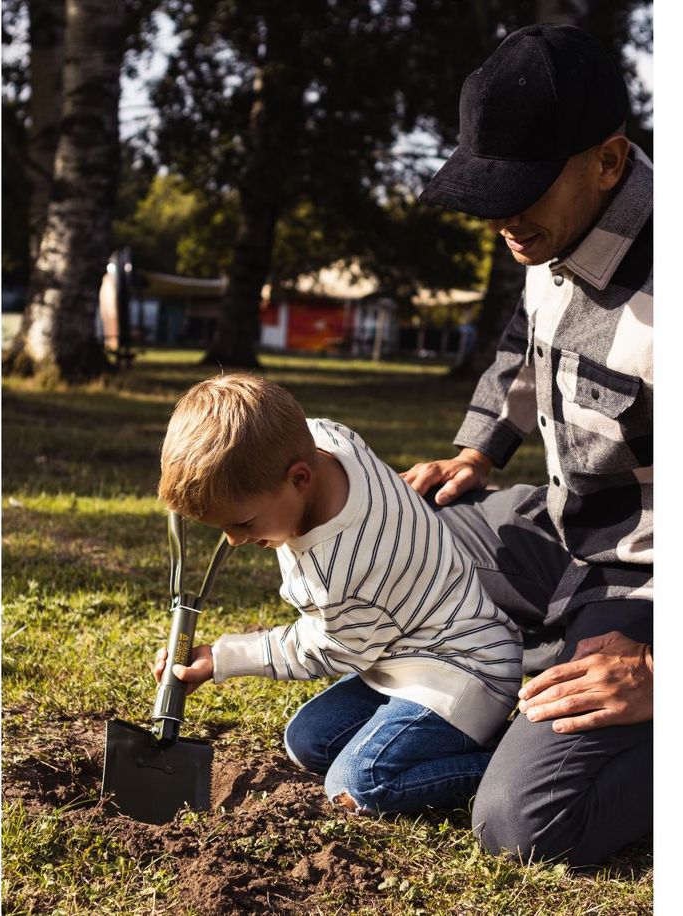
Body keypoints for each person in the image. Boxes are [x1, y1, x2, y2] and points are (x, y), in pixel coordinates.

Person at [406, 23, 654, 866]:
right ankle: (533, 663)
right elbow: (527, 338)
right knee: (399, 532)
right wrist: (478, 452)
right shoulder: (551, 225)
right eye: (489, 188)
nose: (502, 218)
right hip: (565, 533)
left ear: (609, 161)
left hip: (648, 582)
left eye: (520, 190)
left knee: (520, 824)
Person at [152, 374, 522, 814]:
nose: (233, 540)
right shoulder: (322, 436)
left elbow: (324, 650)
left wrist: (224, 658)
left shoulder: (342, 571)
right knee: (308, 741)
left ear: (299, 478)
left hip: (464, 671)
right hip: (396, 652)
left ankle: (507, 763)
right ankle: (451, 739)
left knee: (360, 783)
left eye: (244, 523)